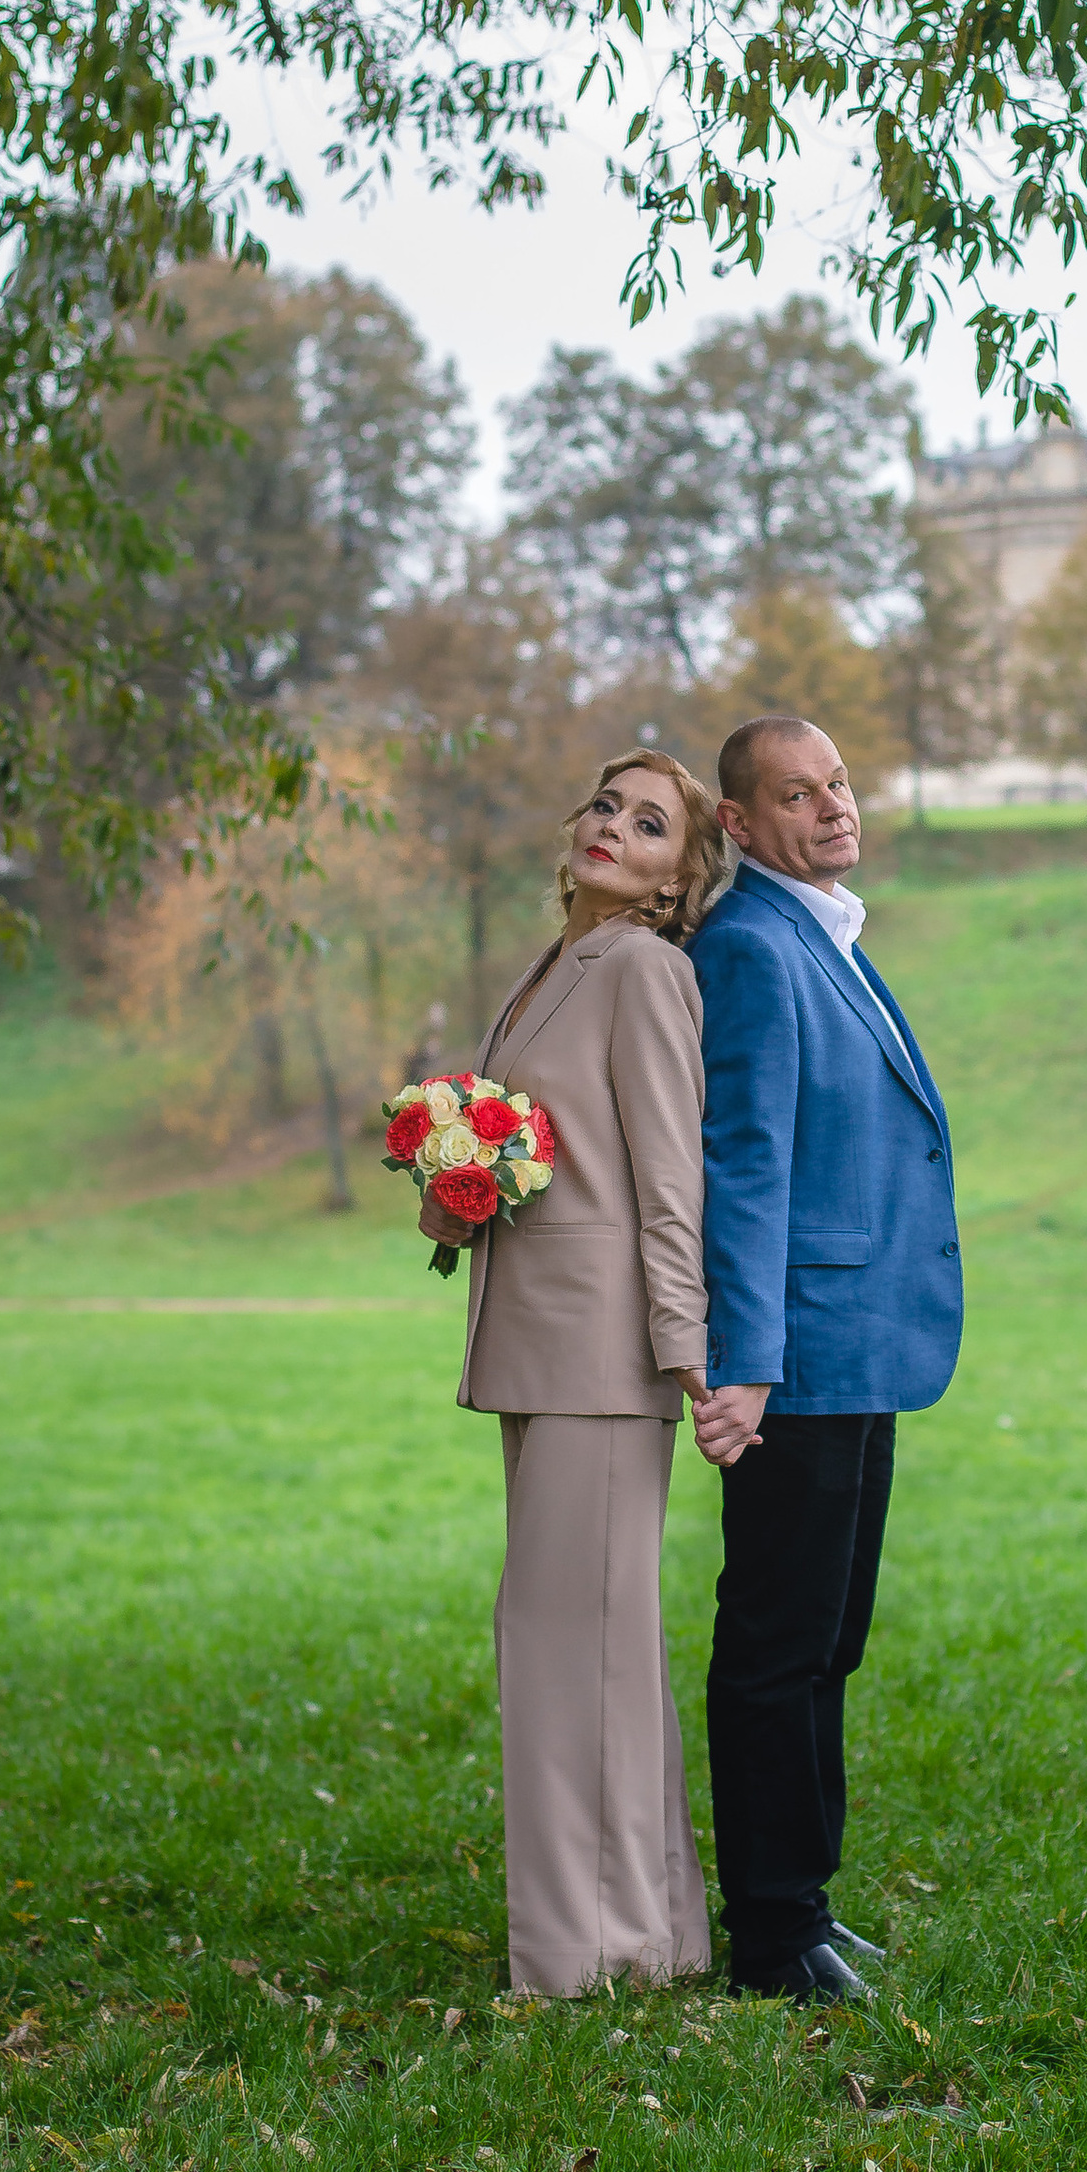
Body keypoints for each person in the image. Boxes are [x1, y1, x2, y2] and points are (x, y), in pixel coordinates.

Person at [423, 751, 733, 1996]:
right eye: (608, 805)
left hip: (607, 1356)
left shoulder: (648, 971)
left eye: (649, 823)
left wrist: (687, 1354)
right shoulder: (556, 965)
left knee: (570, 1645)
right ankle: (646, 1937)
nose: (614, 827)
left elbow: (669, 1180)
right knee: (584, 1643)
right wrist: (458, 1190)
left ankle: (583, 1958)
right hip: (536, 1343)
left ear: (676, 877)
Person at [684, 713, 962, 2003]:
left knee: (828, 1641)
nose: (833, 808)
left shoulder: (826, 933)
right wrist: (745, 1356)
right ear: (740, 825)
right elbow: (743, 1159)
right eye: (798, 795)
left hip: (858, 1342)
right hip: (797, 1350)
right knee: (777, 1642)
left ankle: (805, 1907)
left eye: (840, 782)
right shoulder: (749, 946)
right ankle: (773, 1933)